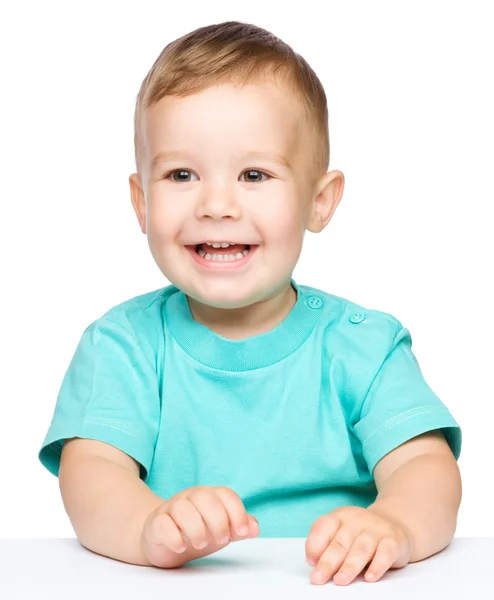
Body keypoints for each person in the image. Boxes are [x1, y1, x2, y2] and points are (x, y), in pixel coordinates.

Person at [38, 21, 462, 586]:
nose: (216, 204)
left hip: (335, 585)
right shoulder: (123, 345)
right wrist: (148, 527)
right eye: (181, 174)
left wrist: (394, 525)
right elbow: (90, 473)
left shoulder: (364, 346)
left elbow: (425, 466)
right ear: (141, 202)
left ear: (319, 201)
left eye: (254, 174)